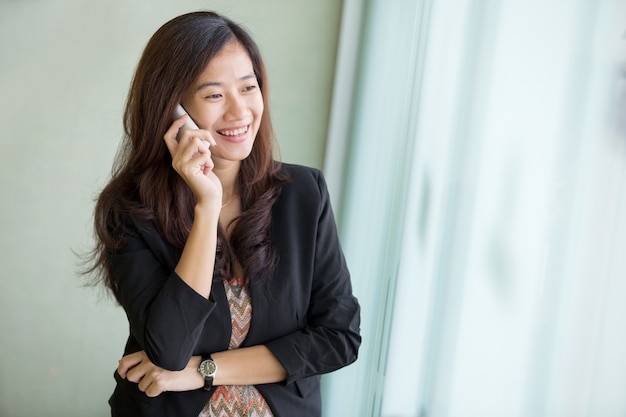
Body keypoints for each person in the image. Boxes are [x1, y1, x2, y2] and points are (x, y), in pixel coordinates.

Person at [84, 10, 361, 417]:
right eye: (214, 95)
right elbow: (168, 350)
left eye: (249, 88)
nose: (239, 112)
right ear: (174, 110)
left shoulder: (304, 194)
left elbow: (338, 338)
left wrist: (204, 370)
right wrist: (207, 206)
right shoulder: (129, 211)